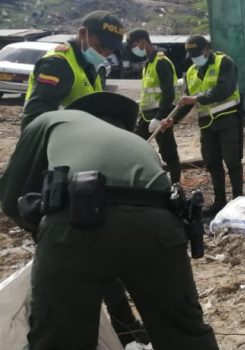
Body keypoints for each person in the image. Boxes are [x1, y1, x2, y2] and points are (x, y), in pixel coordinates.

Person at [0, 92, 218, 349]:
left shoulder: (51, 120)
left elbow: (11, 197)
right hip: (162, 227)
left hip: (75, 227)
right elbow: (120, 239)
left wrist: (48, 240)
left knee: (60, 339)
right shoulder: (138, 144)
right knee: (185, 334)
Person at [166, 35, 244, 216]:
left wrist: (196, 98)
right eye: (191, 55)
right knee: (212, 162)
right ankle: (220, 202)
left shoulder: (224, 62)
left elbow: (224, 89)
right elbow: (186, 101)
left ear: (206, 49)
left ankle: (239, 201)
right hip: (207, 125)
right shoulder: (192, 71)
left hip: (227, 120)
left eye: (197, 53)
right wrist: (173, 119)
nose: (194, 58)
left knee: (232, 161)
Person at [21, 10, 124, 129]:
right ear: (82, 33)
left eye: (111, 49)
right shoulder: (58, 64)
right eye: (100, 46)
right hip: (57, 143)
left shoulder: (87, 65)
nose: (105, 53)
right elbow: (35, 119)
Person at [126, 29, 181, 183]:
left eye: (134, 45)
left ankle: (175, 186)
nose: (133, 49)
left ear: (143, 41)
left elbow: (168, 94)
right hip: (145, 116)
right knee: (137, 147)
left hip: (161, 115)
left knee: (168, 153)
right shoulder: (148, 63)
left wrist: (158, 117)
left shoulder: (161, 62)